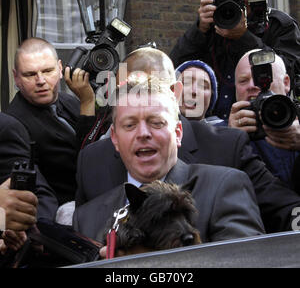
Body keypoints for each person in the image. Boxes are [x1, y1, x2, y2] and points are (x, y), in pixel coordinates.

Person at [74, 47, 300, 234]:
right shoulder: (92, 161)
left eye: (154, 88)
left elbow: (282, 209)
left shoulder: (226, 150)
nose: (143, 133)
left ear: (174, 91)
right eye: (129, 89)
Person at [73, 77, 265, 244]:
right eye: (130, 125)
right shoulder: (87, 218)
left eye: (156, 123)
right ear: (114, 138)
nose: (143, 134)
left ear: (178, 132)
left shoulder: (224, 188)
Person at [169, 0, 300, 120]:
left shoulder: (277, 24)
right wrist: (198, 30)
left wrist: (243, 37)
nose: (236, 1)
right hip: (213, 128)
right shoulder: (209, 25)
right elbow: (173, 72)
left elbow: (289, 72)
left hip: (264, 121)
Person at [5, 37, 94, 206]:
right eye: (30, 74)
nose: (41, 81)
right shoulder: (14, 124)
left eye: (47, 71)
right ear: (16, 78)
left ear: (60, 69)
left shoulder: (71, 101)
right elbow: (85, 159)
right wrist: (88, 104)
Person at [225, 49, 300, 190]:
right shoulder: (221, 135)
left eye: (264, 78)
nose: (254, 85)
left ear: (286, 83)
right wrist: (231, 143)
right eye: (243, 80)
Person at [175, 59, 223, 124]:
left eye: (203, 86)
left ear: (211, 98)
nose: (194, 91)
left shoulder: (225, 131)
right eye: (186, 83)